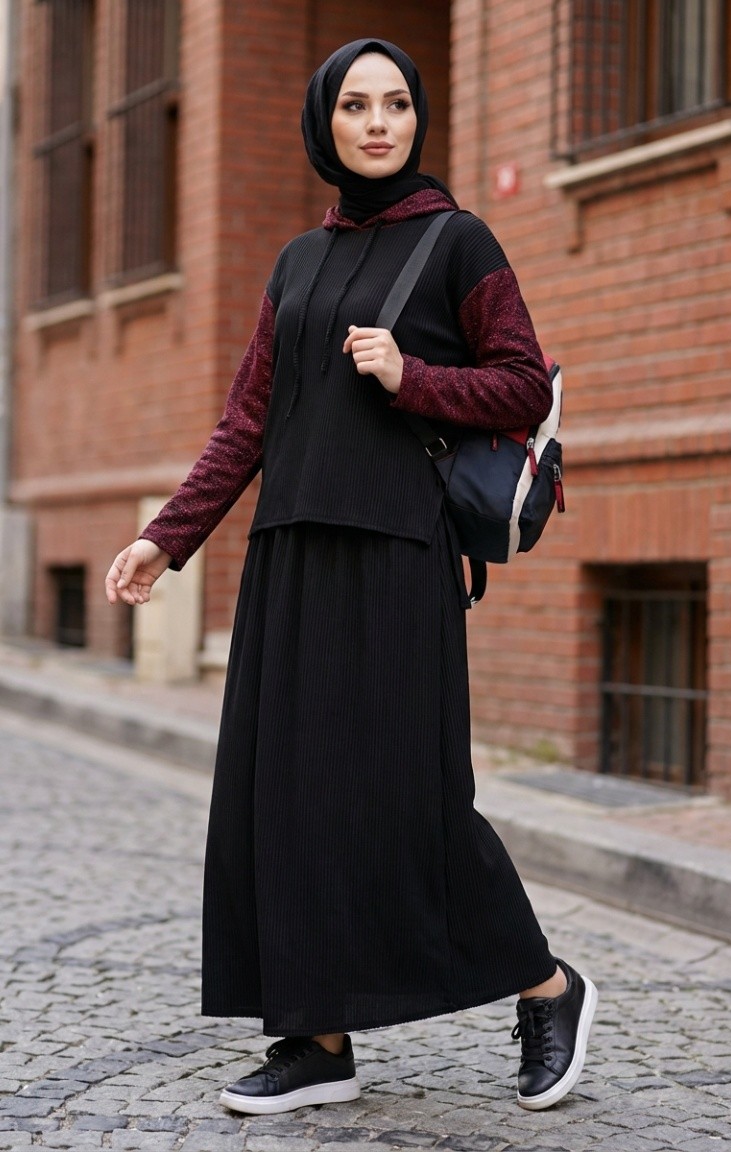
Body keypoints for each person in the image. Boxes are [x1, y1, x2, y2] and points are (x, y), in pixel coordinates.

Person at [105, 38, 597, 1118]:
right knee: (287, 797)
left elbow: (524, 383)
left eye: (396, 104)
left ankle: (546, 988)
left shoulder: (459, 241)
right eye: (356, 106)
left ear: (417, 118)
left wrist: (411, 376)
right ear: (324, 122)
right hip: (290, 553)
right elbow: (247, 421)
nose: (378, 123)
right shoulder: (297, 261)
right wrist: (166, 538)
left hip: (396, 555)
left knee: (409, 798)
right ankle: (317, 1040)